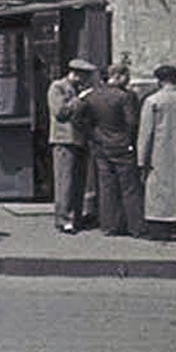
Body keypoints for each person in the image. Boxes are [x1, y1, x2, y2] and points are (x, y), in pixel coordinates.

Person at [71, 62, 145, 238]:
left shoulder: (93, 96)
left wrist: (92, 134)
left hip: (101, 145)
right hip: (122, 145)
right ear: (118, 76)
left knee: (106, 186)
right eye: (126, 75)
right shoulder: (126, 96)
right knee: (129, 188)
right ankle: (135, 226)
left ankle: (109, 225)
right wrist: (130, 140)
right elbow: (132, 122)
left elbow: (77, 118)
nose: (128, 79)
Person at [49, 57, 97, 233]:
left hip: (80, 139)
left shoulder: (79, 89)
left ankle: (76, 217)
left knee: (79, 181)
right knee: (65, 181)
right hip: (64, 140)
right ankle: (63, 219)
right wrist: (79, 99)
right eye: (83, 76)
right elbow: (60, 112)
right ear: (75, 74)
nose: (85, 80)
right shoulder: (58, 87)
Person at [139, 64, 176, 241]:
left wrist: (141, 160)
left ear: (159, 80)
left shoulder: (153, 101)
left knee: (159, 189)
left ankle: (161, 228)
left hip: (159, 150)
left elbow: (146, 133)